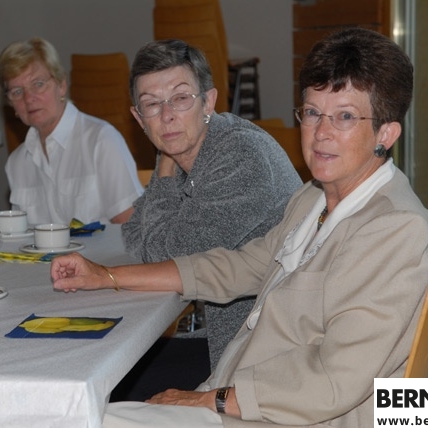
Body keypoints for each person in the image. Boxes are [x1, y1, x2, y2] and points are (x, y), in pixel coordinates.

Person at [51, 27, 428, 428]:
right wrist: (106, 276)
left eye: (345, 117)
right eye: (312, 112)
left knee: (70, 418)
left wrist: (210, 400)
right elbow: (240, 266)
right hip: (243, 388)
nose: (321, 133)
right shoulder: (315, 198)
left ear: (386, 133)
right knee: (71, 414)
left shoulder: (397, 230)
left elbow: (335, 380)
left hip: (286, 416)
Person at [121, 39, 302, 379]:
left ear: (208, 101)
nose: (167, 116)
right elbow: (132, 233)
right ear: (138, 118)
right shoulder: (185, 149)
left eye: (180, 98)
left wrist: (163, 173)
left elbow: (166, 257)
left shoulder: (240, 156)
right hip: (231, 336)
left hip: (269, 357)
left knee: (123, 381)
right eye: (152, 104)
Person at [0, 38, 143, 226]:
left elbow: (131, 227)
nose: (29, 98)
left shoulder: (101, 140)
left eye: (38, 84)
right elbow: (19, 238)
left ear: (61, 85)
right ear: (11, 104)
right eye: (17, 91)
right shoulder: (17, 163)